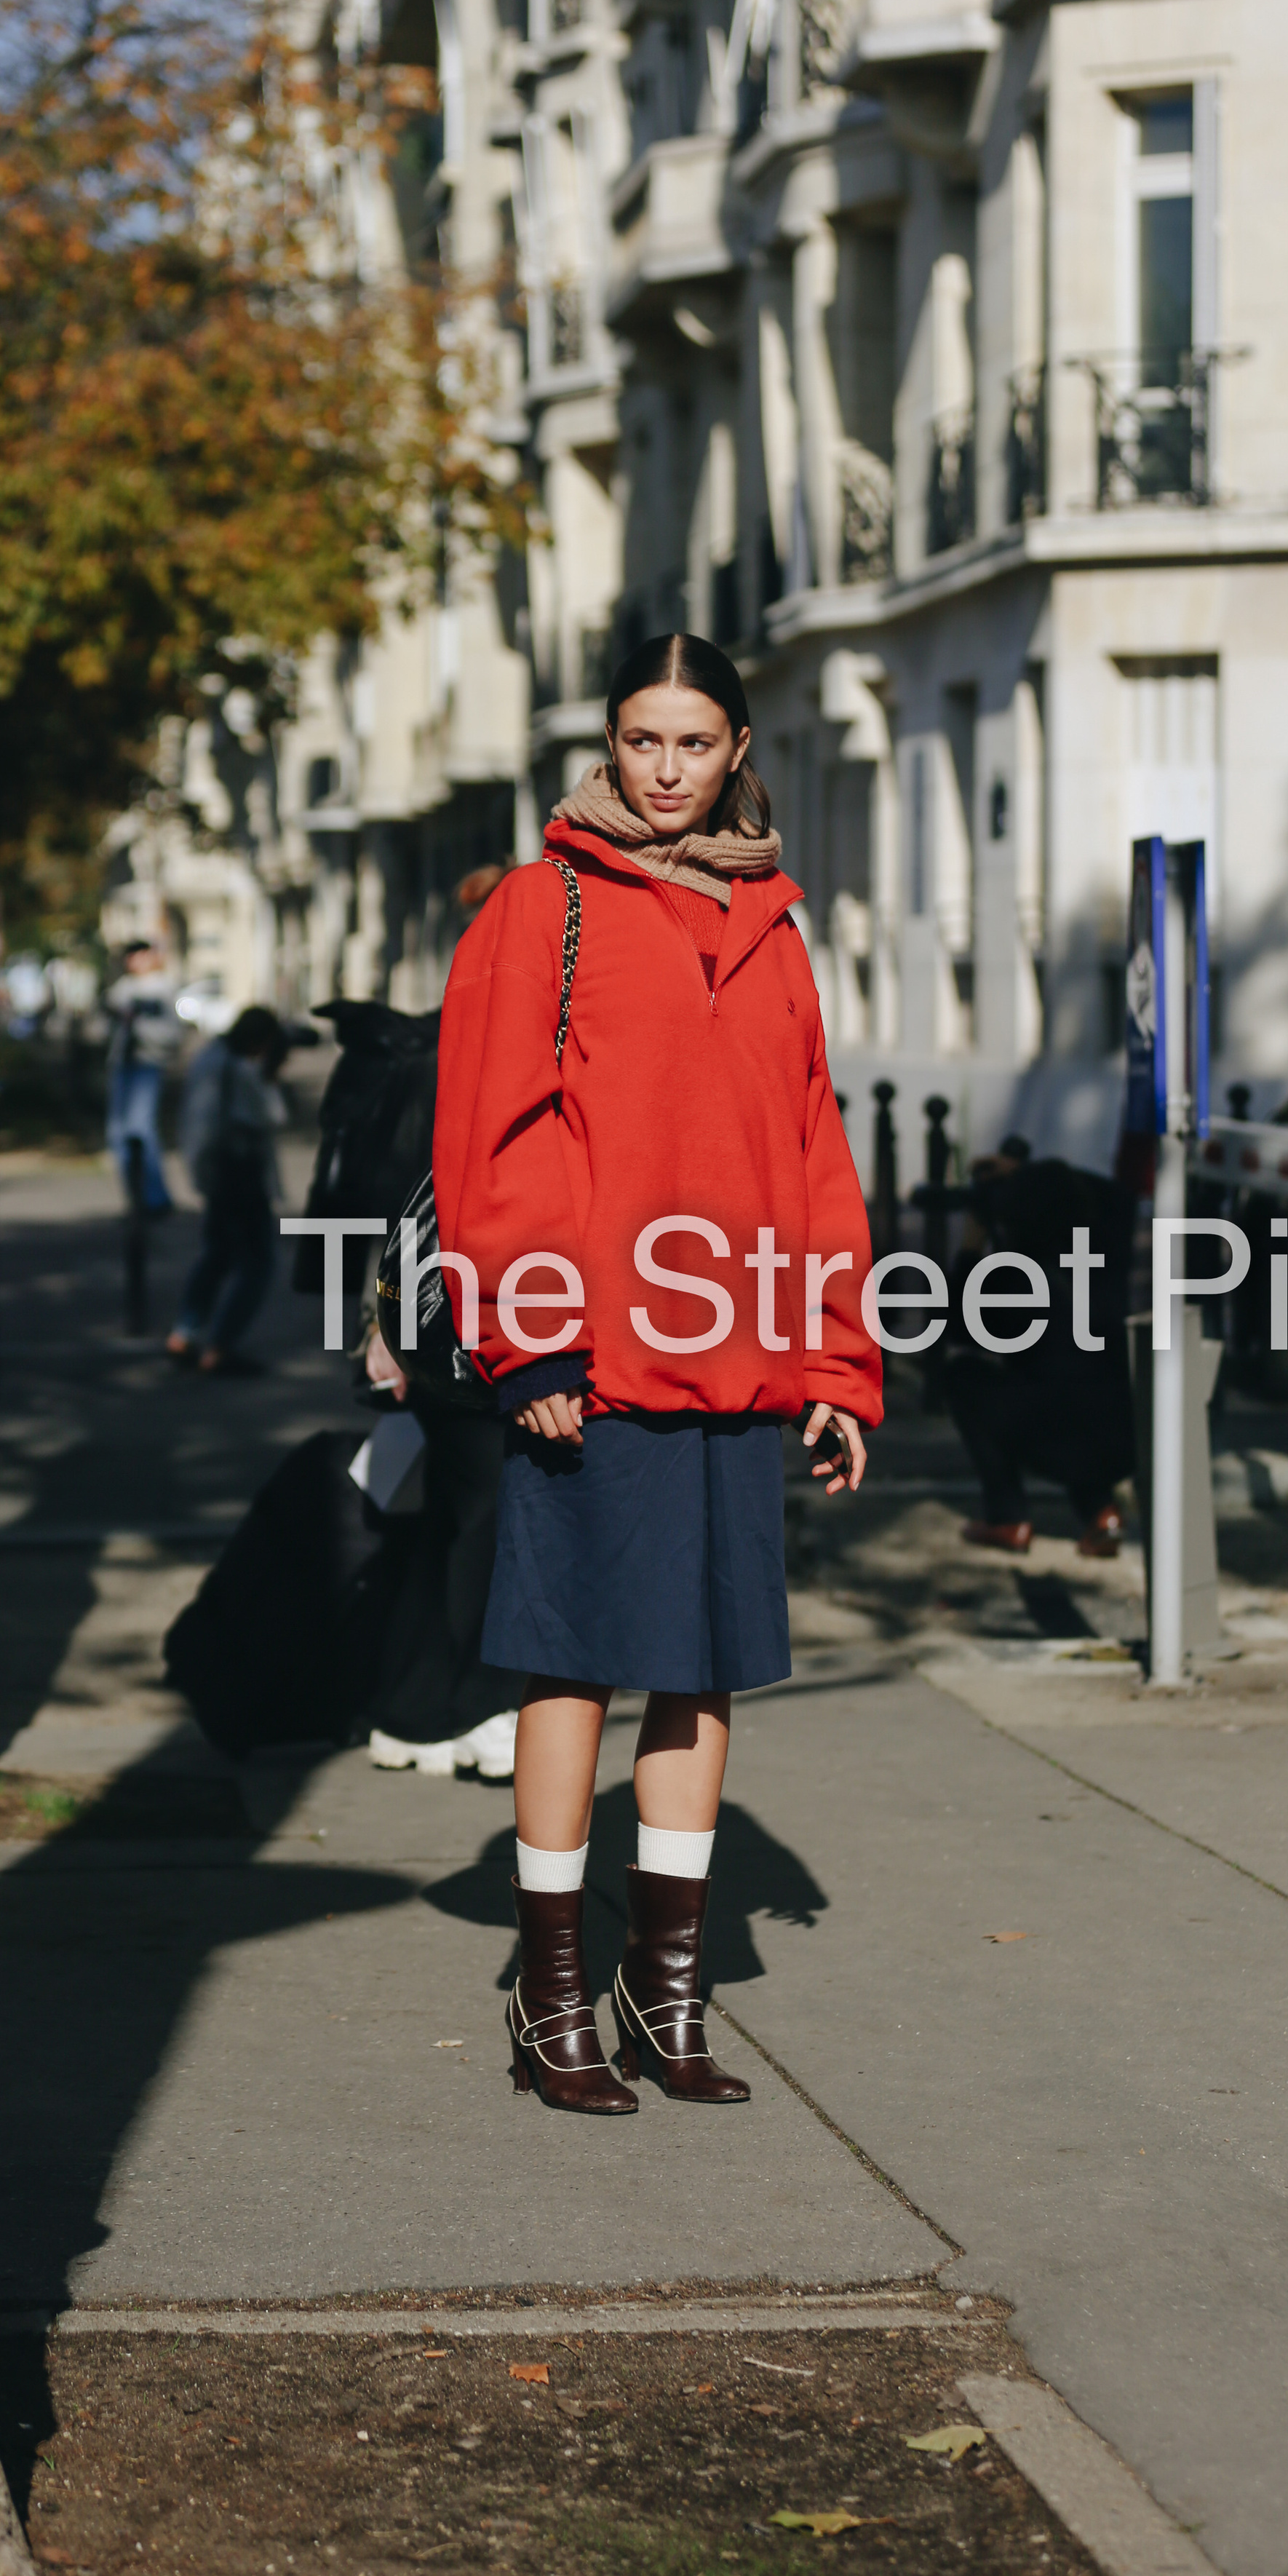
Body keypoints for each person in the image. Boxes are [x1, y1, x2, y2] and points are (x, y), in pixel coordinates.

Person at [432, 630, 881, 2117]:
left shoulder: (773, 924)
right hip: (596, 1359)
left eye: (694, 745)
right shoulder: (538, 905)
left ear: (738, 750)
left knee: (699, 1670)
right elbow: (490, 1137)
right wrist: (529, 1336)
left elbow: (811, 1153)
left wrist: (834, 1358)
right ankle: (551, 1987)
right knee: (572, 1662)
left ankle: (661, 1991)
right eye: (641, 742)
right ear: (608, 746)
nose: (666, 770)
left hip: (741, 1360)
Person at [943, 1148, 1136, 1557]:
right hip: (1124, 1440)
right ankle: (1102, 1515)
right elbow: (1118, 1195)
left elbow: (956, 1330)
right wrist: (1026, 1170)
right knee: (1077, 1392)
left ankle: (1007, 1516)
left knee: (961, 1378)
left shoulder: (1013, 1280)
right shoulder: (1106, 1253)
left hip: (1060, 1443)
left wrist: (970, 1248)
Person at [167, 1005, 289, 1375]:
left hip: (217, 1175)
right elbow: (273, 1115)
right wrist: (270, 1075)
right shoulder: (243, 1071)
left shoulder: (210, 1058)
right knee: (258, 1263)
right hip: (242, 1178)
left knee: (216, 1256)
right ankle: (219, 1346)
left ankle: (185, 1333)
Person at [105, 939, 183, 1213]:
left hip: (147, 1064)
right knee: (117, 1133)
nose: (135, 962)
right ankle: (136, 1198)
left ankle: (155, 1198)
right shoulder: (122, 989)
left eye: (140, 956)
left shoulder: (163, 988)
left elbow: (172, 1035)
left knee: (141, 1129)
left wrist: (137, 1023)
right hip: (123, 1065)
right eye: (131, 957)